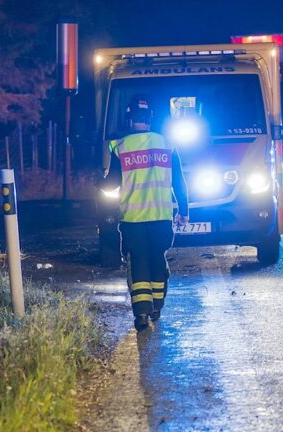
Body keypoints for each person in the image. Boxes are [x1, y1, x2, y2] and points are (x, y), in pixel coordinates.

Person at [103, 96, 189, 331]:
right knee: (157, 260)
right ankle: (156, 307)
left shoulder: (120, 147)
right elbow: (179, 182)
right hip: (161, 217)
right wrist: (184, 211)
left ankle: (141, 313)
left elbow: (112, 183)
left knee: (138, 262)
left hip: (133, 219)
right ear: (150, 119)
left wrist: (97, 185)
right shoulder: (167, 144)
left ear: (130, 120)